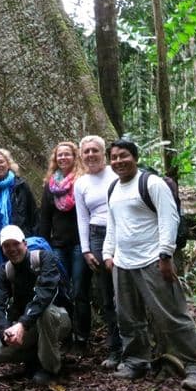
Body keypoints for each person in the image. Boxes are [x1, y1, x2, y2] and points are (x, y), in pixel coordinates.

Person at [103, 139, 196, 391]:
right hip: (123, 263)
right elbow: (113, 223)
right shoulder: (113, 189)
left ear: (135, 157)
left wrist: (165, 255)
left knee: (171, 315)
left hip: (153, 260)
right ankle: (135, 361)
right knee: (128, 318)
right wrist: (109, 253)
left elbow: (169, 218)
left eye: (124, 156)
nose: (118, 161)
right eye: (114, 157)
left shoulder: (151, 183)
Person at [0, 225, 71, 385]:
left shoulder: (44, 258)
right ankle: (36, 356)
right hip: (27, 325)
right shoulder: (4, 271)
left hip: (58, 318)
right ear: (2, 249)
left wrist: (22, 325)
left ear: (24, 244)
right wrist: (5, 331)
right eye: (7, 246)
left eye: (15, 244)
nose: (12, 249)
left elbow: (45, 295)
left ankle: (50, 369)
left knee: (45, 313)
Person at [73, 135, 121, 368]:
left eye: (95, 150)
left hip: (122, 234)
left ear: (104, 153)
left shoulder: (116, 173)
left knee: (127, 292)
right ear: (81, 156)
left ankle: (135, 347)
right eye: (87, 151)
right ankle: (115, 349)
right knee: (107, 295)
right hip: (97, 237)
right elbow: (82, 218)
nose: (91, 155)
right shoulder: (81, 183)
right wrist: (85, 249)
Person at [0, 147, 38, 338]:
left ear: (8, 163)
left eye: (1, 161)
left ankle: (24, 325)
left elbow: (32, 215)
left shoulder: (20, 185)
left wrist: (31, 240)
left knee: (21, 284)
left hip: (18, 245)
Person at [38, 141, 89, 351]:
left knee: (79, 291)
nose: (63, 158)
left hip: (79, 244)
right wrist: (43, 244)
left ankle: (82, 337)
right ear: (55, 159)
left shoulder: (82, 182)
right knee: (61, 291)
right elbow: (45, 218)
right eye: (60, 155)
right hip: (57, 245)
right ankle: (65, 335)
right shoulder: (51, 186)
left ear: (74, 157)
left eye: (67, 155)